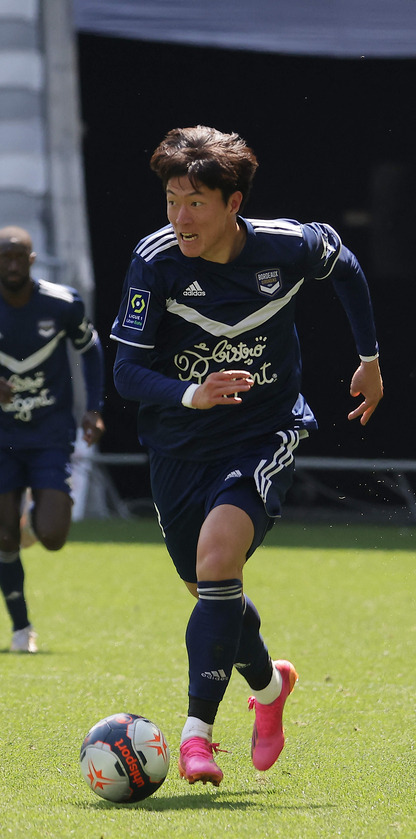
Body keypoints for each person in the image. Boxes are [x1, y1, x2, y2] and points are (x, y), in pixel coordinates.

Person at [111, 126, 383, 786]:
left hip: (264, 430)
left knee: (217, 558)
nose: (180, 217)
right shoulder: (155, 261)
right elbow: (125, 372)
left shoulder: (287, 246)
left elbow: (344, 267)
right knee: (208, 587)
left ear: (233, 204)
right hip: (179, 443)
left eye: (196, 202)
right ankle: (268, 688)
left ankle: (196, 736)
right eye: (172, 199)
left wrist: (370, 359)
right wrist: (190, 393)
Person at [0, 226, 105, 653]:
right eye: (6, 257)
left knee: (53, 536)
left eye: (21, 257)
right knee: (2, 535)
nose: (14, 264)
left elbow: (90, 349)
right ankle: (22, 629)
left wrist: (93, 408)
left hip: (50, 431)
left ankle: (33, 523)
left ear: (33, 260)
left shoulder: (63, 303)